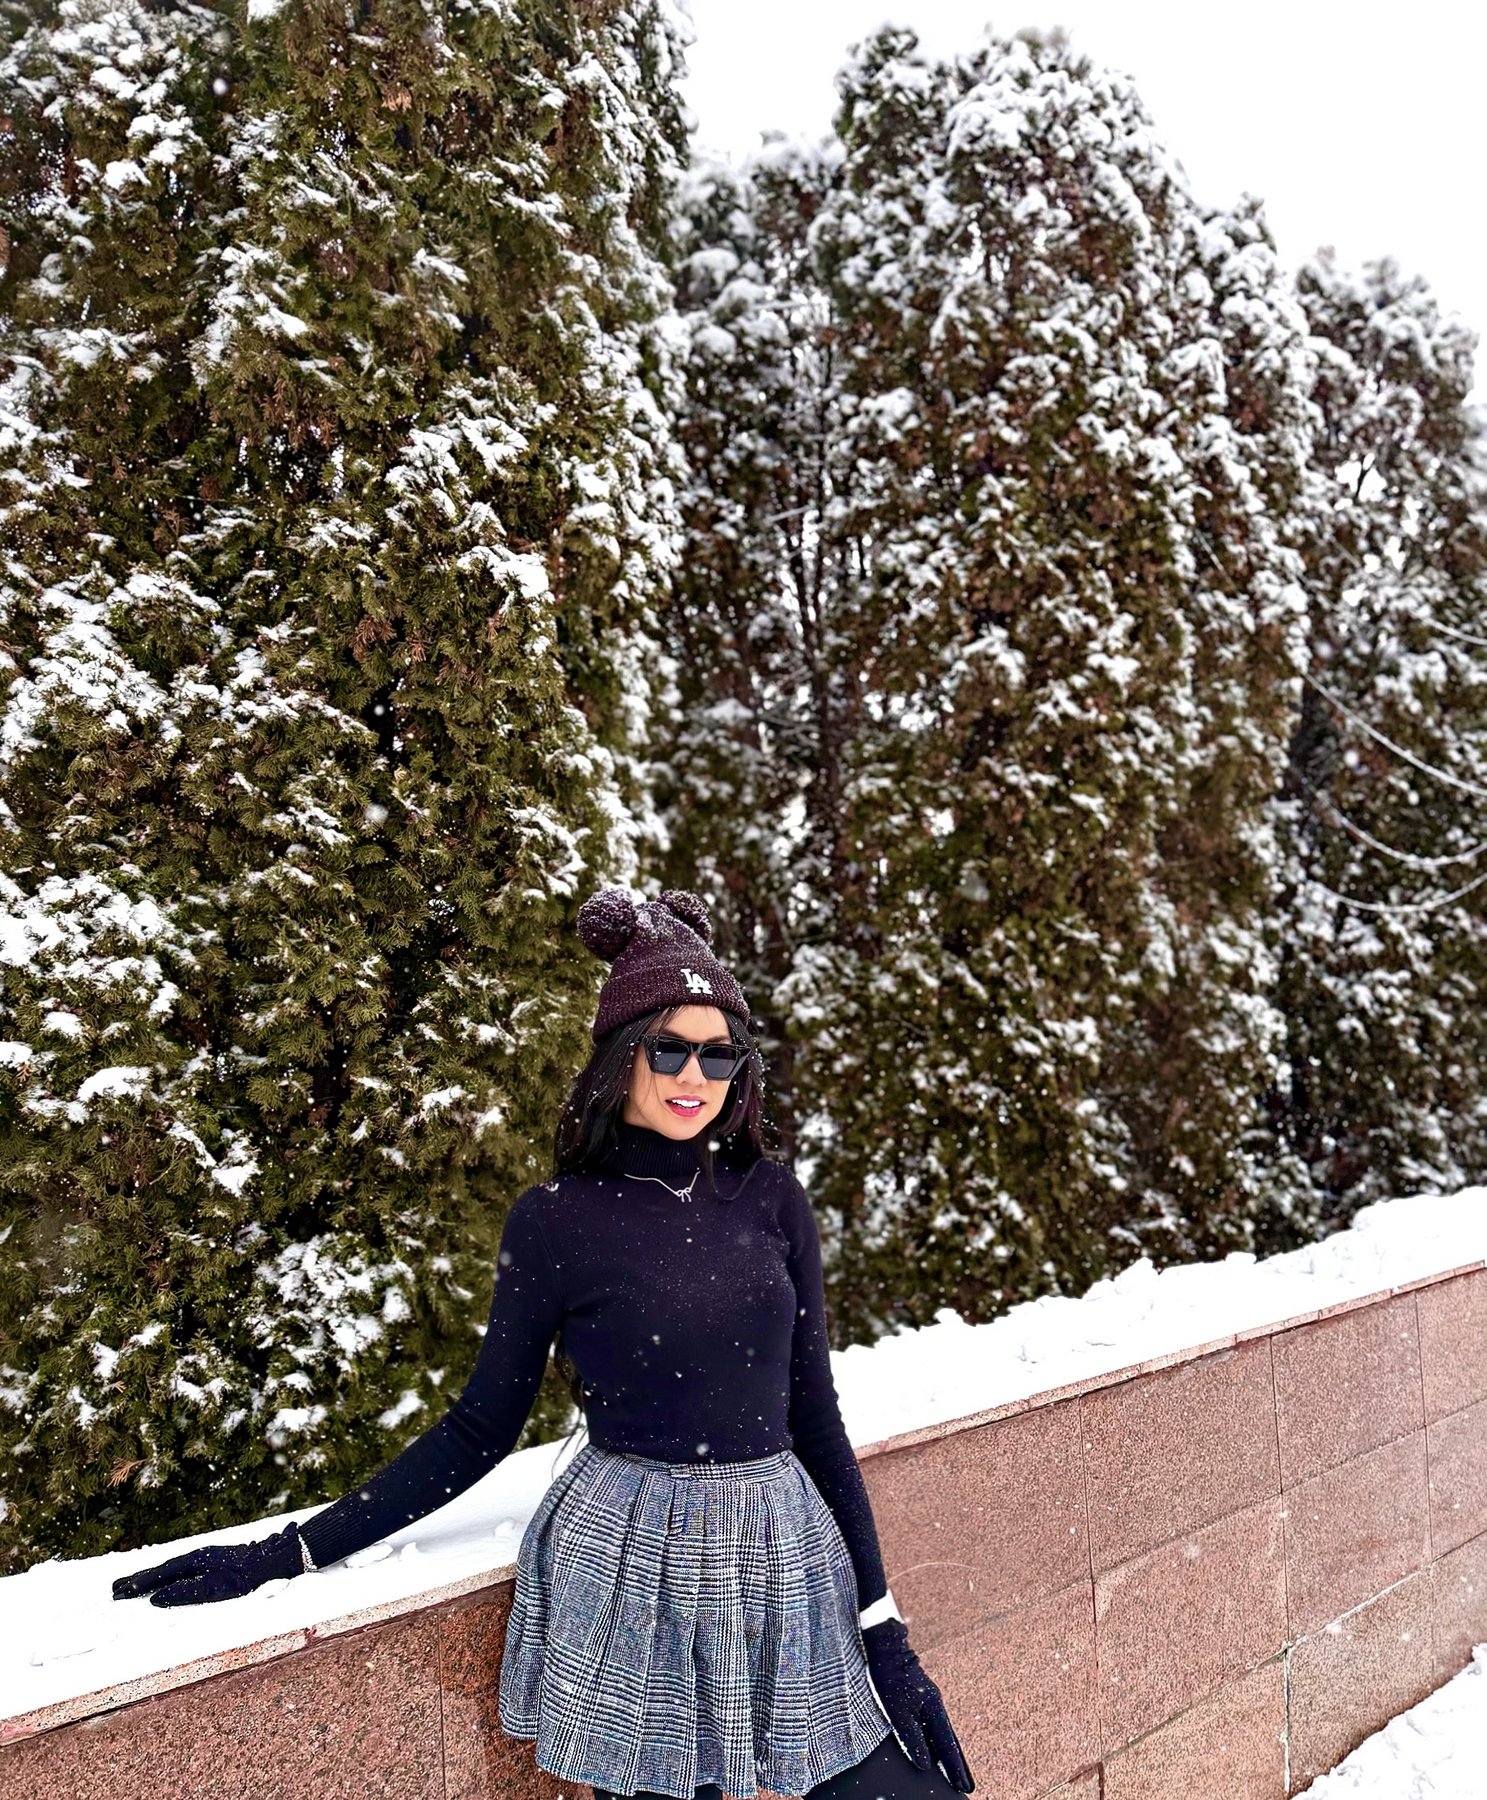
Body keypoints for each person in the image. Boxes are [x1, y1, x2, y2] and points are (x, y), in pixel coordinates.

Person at [113, 887, 976, 1800]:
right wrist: (289, 1551)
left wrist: (885, 1633)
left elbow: (815, 1418)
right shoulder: (557, 1221)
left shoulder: (769, 1198)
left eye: (719, 1054)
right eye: (669, 1049)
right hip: (631, 1565)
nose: (693, 1075)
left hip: (779, 1549)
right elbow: (478, 1427)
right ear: (620, 1056)